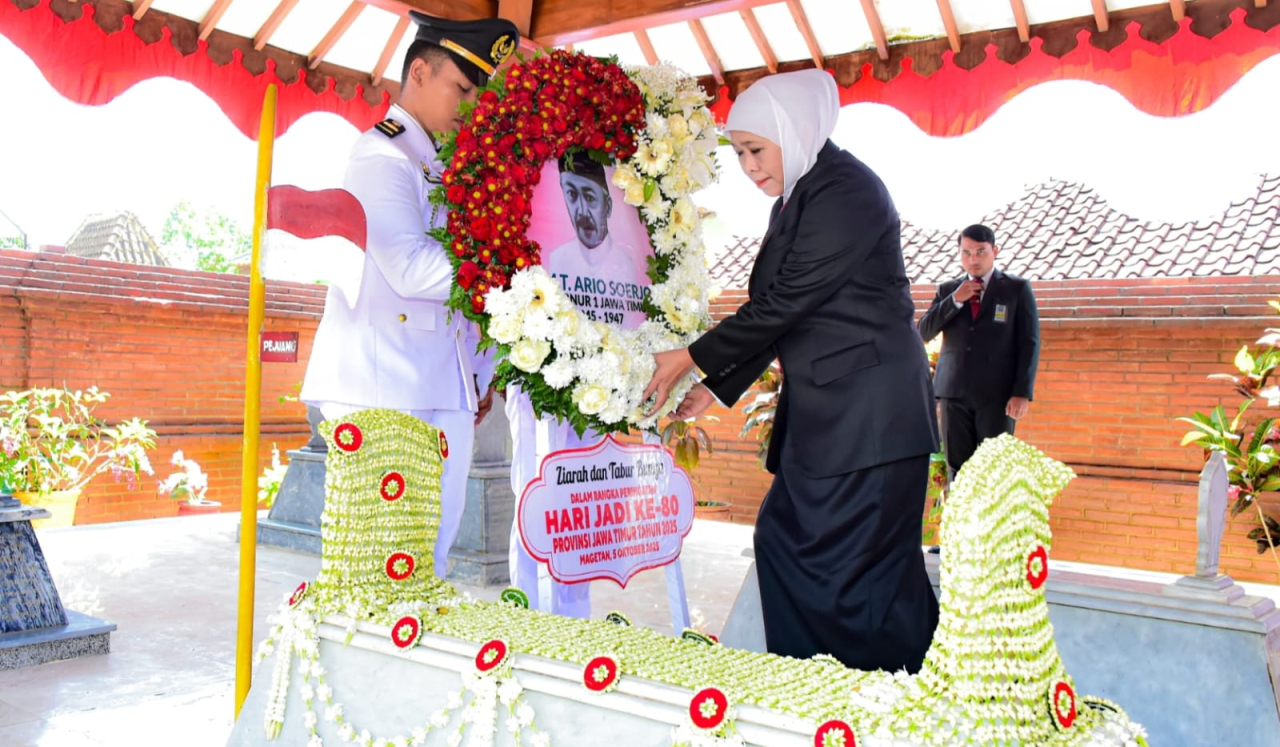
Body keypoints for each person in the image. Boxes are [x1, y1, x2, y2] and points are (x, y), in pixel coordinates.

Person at [641, 69, 940, 674]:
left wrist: (691, 356)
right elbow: (781, 309)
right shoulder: (801, 195)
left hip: (870, 421)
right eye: (740, 154)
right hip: (837, 421)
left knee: (863, 581)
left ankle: (887, 701)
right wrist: (714, 386)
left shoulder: (846, 190)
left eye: (756, 149)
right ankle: (819, 691)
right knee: (796, 548)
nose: (748, 167)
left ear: (794, 130)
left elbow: (786, 301)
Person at [300, 11, 519, 579]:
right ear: (419, 72)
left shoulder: (439, 163)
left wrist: (478, 371)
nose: (470, 106)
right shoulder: (384, 155)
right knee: (383, 566)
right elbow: (411, 270)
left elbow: (456, 290)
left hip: (435, 380)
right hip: (386, 385)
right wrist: (512, 271)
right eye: (462, 88)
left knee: (430, 560)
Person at [917, 224, 1040, 483]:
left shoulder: (1016, 289)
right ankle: (960, 511)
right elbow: (923, 332)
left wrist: (1022, 392)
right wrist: (955, 301)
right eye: (967, 253)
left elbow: (1029, 343)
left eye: (980, 252)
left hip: (997, 397)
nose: (973, 259)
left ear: (995, 251)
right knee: (958, 470)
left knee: (995, 470)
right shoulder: (948, 290)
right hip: (953, 393)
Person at [544, 152, 648, 329]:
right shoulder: (555, 261)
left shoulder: (629, 265)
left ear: (608, 206)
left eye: (590, 198)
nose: (582, 211)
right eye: (571, 194)